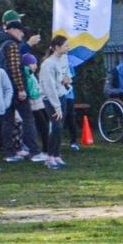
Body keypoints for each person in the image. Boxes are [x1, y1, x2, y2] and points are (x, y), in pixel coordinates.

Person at [0, 19, 43, 161]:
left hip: (4, 89)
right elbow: (15, 69)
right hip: (15, 89)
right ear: (13, 30)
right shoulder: (12, 45)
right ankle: (34, 151)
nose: (22, 34)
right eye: (21, 31)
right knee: (28, 119)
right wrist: (21, 89)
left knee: (7, 121)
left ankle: (10, 153)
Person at [38, 35, 73, 170]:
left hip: (62, 95)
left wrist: (67, 79)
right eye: (66, 45)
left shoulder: (64, 58)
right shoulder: (48, 64)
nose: (68, 48)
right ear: (57, 47)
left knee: (60, 127)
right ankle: (50, 157)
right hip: (50, 99)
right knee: (56, 126)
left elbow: (66, 73)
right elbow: (49, 87)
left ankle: (57, 155)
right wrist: (56, 106)